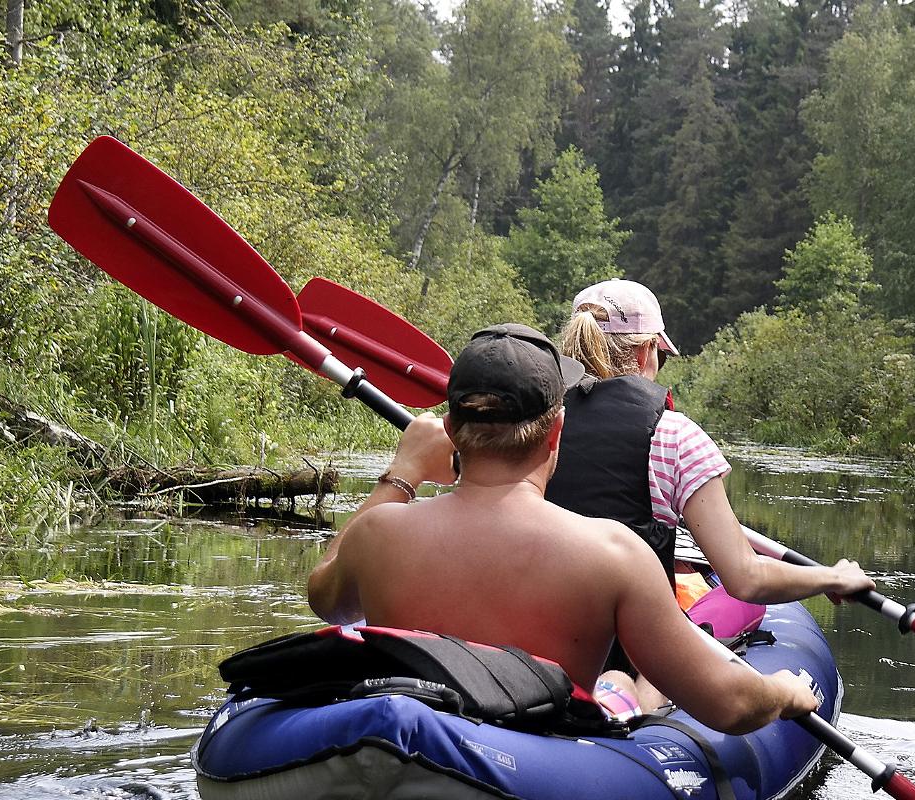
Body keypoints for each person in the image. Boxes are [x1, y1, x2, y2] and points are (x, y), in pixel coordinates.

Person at [306, 323, 819, 734]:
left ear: (450, 430)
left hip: (405, 748)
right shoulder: (613, 553)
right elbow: (728, 706)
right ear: (556, 431)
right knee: (621, 681)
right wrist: (784, 693)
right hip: (538, 761)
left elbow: (327, 598)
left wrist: (404, 474)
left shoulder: (379, 533)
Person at [550, 279, 875, 604]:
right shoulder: (674, 436)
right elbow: (747, 579)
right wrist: (832, 576)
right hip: (625, 647)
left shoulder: (535, 422)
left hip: (534, 626)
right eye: (661, 357)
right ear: (643, 351)